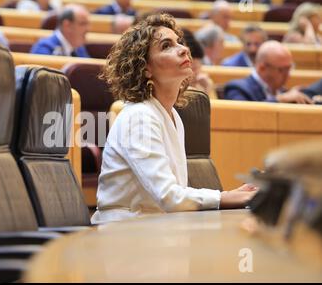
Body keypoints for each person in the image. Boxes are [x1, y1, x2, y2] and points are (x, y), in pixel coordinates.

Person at [91, 14, 257, 224]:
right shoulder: (139, 117)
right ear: (145, 68)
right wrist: (225, 196)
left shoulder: (173, 116)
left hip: (155, 228)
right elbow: (169, 197)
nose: (183, 49)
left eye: (179, 42)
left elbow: (173, 197)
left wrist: (234, 195)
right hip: (123, 234)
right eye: (166, 46)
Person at [224, 40, 314, 103]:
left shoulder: (282, 91)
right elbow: (243, 116)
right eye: (282, 70)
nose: (288, 75)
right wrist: (280, 99)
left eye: (289, 68)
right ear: (262, 68)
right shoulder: (237, 88)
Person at [182, 28, 217, 99]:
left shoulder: (203, 84)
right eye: (193, 69)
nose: (197, 74)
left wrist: (207, 91)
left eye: (199, 68)